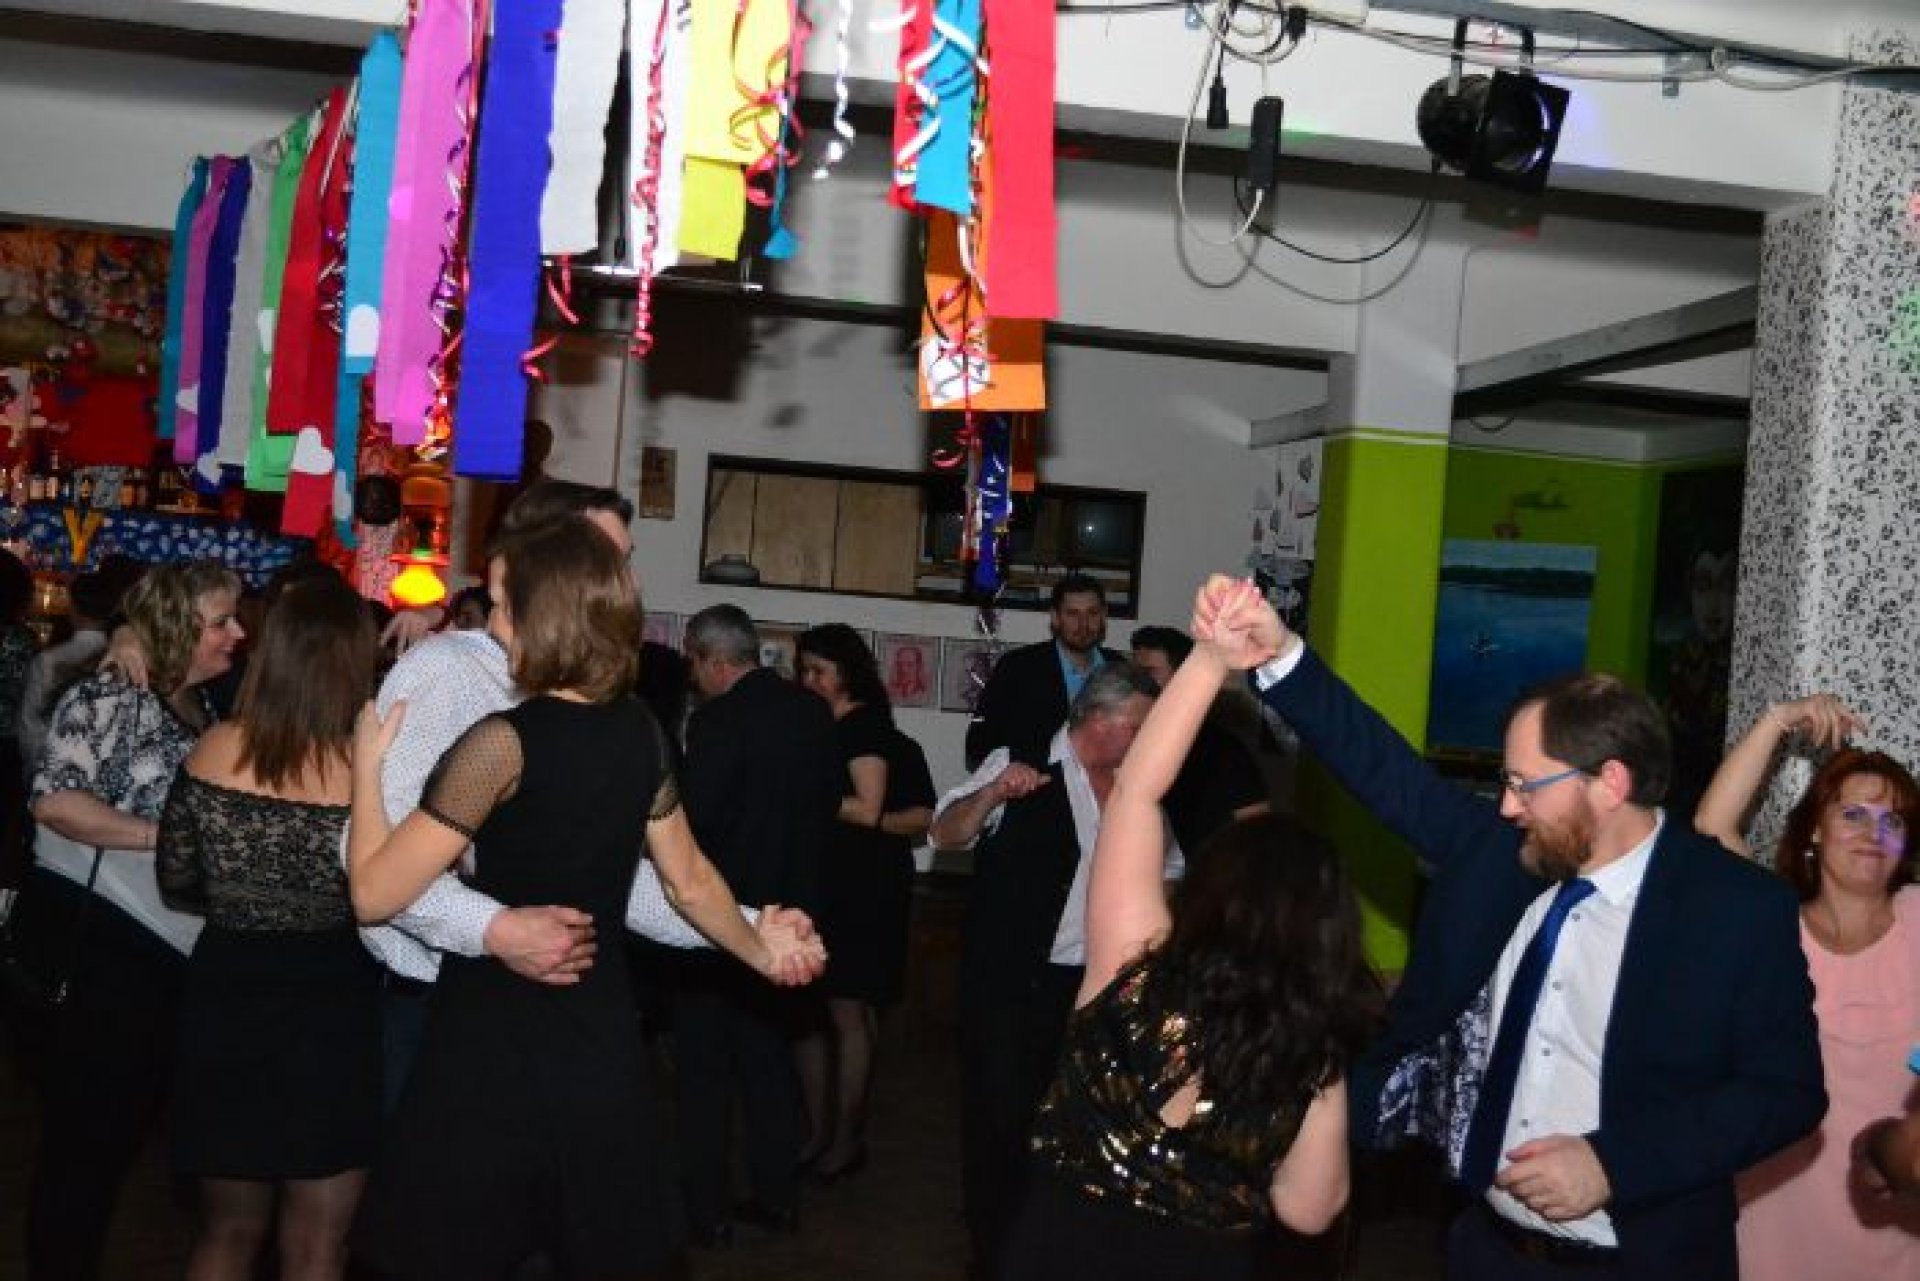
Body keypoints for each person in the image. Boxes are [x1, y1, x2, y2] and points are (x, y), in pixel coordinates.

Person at [1195, 574, 1824, 1281]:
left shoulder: (1733, 907)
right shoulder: (1504, 856)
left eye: (1526, 785)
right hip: (1485, 1247)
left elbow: (1786, 1092)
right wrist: (1278, 651)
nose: (1507, 806)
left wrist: (1613, 1163)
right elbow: (1380, 764)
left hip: (1642, 1259)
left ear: (1610, 783)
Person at [347, 520, 819, 1278]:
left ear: (545, 619)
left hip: (491, 1035)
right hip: (596, 1029)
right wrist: (761, 947)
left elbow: (373, 892)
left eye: (506, 607)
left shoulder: (502, 741)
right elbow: (690, 881)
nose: (495, 624)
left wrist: (366, 769)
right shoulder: (641, 731)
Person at [1003, 579, 1376, 1281]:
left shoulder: (1130, 971)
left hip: (1055, 1250)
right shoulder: (1307, 1054)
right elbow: (1310, 1209)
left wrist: (1210, 660)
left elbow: (1137, 791)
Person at [12, 560, 243, 1280]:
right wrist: (166, 838)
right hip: (101, 954)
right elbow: (54, 801)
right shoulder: (113, 692)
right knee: (84, 1153)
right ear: (178, 626)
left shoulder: (201, 702)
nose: (239, 633)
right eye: (222, 621)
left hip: (157, 957)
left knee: (112, 1145)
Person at [156, 573, 380, 1281]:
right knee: (317, 1247)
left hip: (228, 995)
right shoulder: (367, 767)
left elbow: (177, 880)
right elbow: (388, 894)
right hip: (332, 1007)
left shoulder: (214, 747)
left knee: (226, 1234)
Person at [930, 662, 1162, 1279]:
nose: (1151, 738)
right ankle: (995, 1253)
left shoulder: (1140, 787)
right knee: (1000, 1120)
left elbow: (1169, 873)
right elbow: (946, 833)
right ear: (1102, 721)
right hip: (1013, 983)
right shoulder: (1021, 759)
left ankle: (1053, 1249)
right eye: (1141, 726)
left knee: (1074, 1126)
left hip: (1091, 987)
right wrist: (992, 794)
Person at [1694, 694, 1920, 1281]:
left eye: (1893, 821)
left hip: (1900, 1218)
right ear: (1815, 830)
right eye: (1853, 815)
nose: (1874, 833)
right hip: (1779, 1216)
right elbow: (1712, 828)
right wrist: (1776, 722)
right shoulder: (1774, 924)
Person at [675, 604, 844, 1245]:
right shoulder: (811, 712)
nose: (693, 676)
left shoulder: (716, 721)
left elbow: (697, 823)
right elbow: (827, 805)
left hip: (722, 921)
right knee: (769, 1062)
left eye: (694, 662)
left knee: (704, 1073)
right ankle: (778, 1198)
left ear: (715, 660)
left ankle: (707, 1211)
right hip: (793, 916)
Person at [792, 624, 937, 1183]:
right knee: (816, 1013)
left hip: (859, 888)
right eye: (803, 670)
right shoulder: (824, 729)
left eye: (819, 671)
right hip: (827, 883)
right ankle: (822, 1134)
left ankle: (842, 1140)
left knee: (846, 1011)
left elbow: (872, 809)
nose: (808, 681)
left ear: (846, 675)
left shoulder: (863, 728)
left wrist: (804, 795)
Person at [1128, 623, 1270, 860]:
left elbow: (1257, 829)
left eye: (1149, 672)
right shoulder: (1128, 739)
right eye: (1134, 673)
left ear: (1182, 676)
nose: (1137, 682)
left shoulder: (1223, 749)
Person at [964, 574, 1124, 770]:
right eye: (1072, 614)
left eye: (1092, 613)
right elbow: (978, 744)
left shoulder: (1121, 670)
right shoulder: (1018, 668)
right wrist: (1017, 769)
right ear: (1055, 617)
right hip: (1036, 784)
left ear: (1104, 615)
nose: (1083, 624)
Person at [18, 567, 125, 779]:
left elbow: (30, 726)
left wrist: (38, 771)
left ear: (73, 608)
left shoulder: (48, 660)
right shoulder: (125, 659)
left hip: (51, 768)